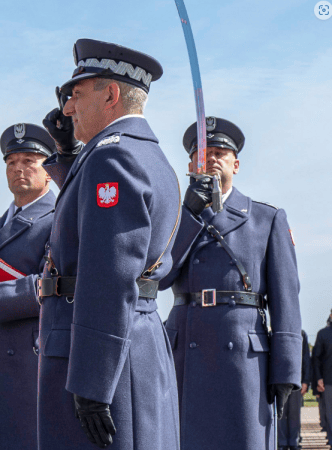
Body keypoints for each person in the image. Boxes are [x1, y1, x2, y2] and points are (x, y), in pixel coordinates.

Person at [37, 38, 180, 450]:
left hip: (104, 357)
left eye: (76, 95)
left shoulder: (110, 159)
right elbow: (95, 222)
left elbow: (108, 272)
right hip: (132, 339)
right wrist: (69, 153)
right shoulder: (142, 154)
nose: (67, 108)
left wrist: (93, 382)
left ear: (111, 95)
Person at [161, 116, 302, 450]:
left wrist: (286, 371)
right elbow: (159, 277)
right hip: (187, 351)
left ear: (235, 164)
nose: (209, 158)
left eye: (219, 152)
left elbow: (286, 299)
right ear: (189, 165)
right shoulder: (174, 218)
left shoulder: (266, 218)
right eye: (201, 153)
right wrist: (190, 213)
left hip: (243, 358)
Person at [0, 123, 56, 449]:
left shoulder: (62, 218)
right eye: (11, 162)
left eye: (29, 161)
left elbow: (53, 285)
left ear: (49, 171)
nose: (18, 169)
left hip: (32, 358)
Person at [278, 329, 311, 450]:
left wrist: (306, 381)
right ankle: (281, 443)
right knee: (280, 414)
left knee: (294, 414)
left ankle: (293, 442)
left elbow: (306, 358)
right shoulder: (276, 331)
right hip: (280, 380)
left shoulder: (301, 333)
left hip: (297, 381)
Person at [314, 311, 332, 447]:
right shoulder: (323, 334)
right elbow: (316, 358)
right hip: (328, 381)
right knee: (330, 413)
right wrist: (319, 378)